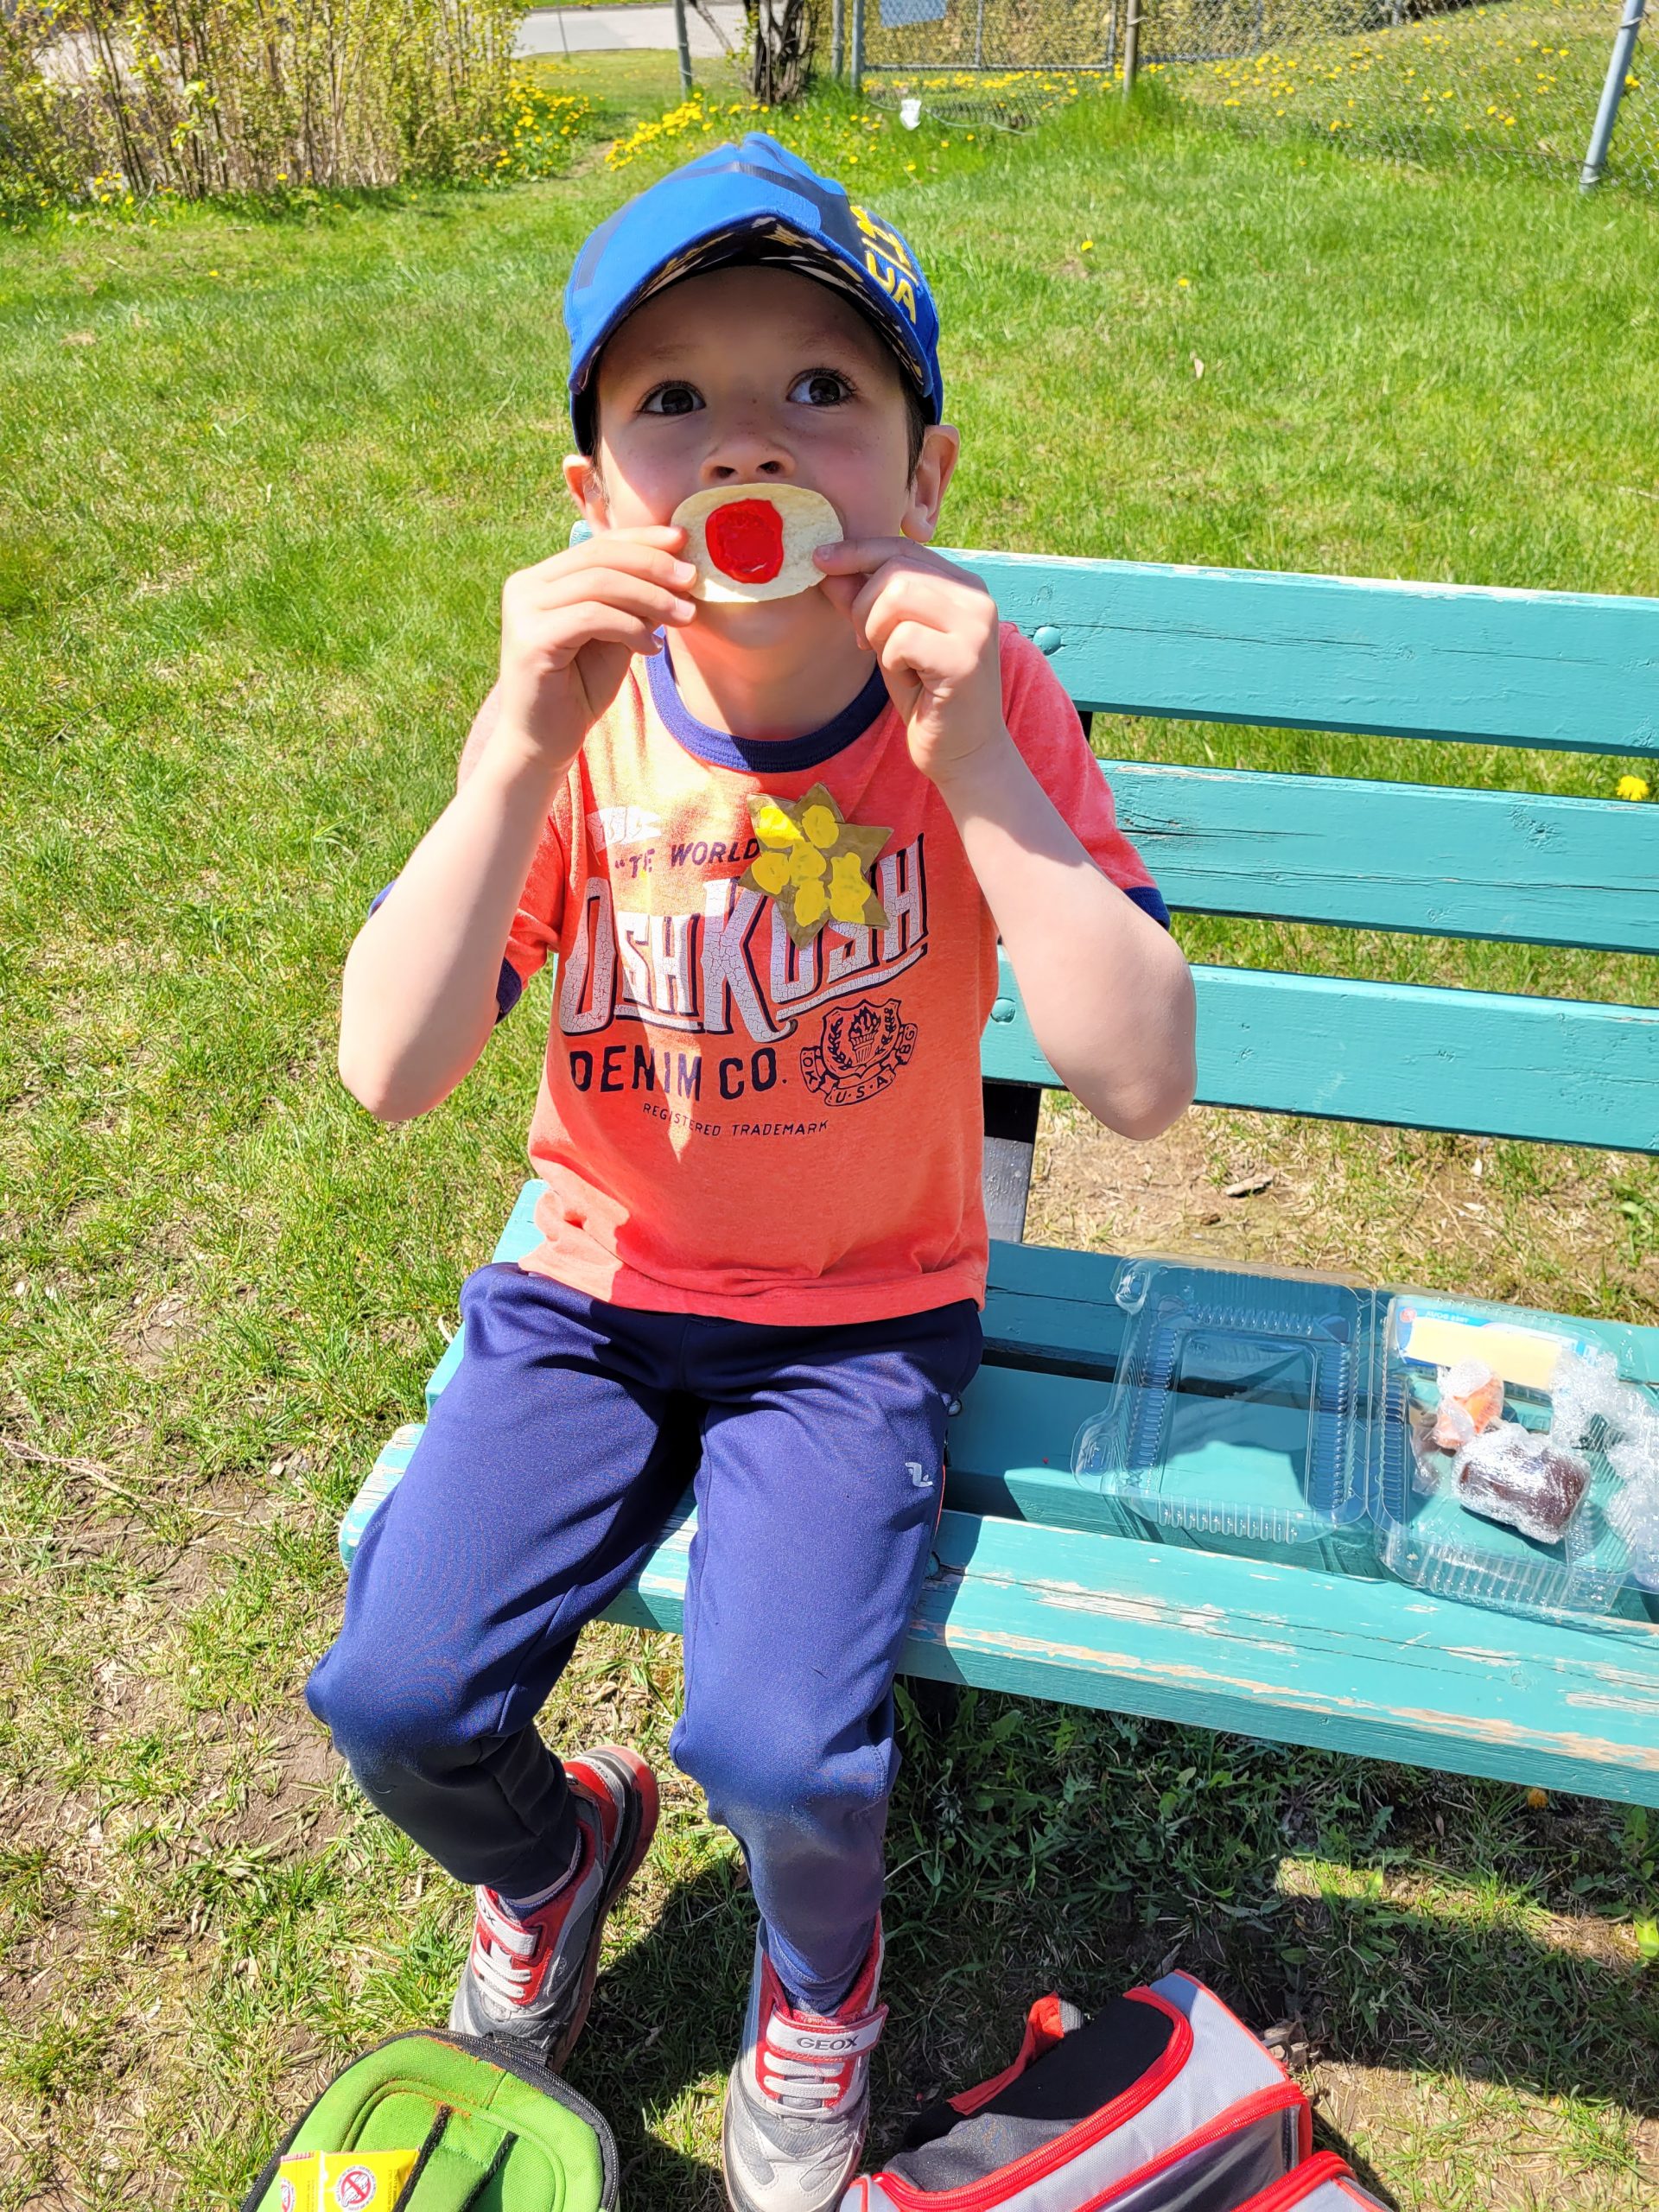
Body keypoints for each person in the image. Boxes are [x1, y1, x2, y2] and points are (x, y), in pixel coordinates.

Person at [307, 134, 1196, 2212]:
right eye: (673, 397)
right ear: (595, 494)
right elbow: (389, 1069)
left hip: (858, 1318)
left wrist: (982, 768)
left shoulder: (979, 700)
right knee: (395, 1690)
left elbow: (1141, 1076)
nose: (748, 444)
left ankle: (820, 1974)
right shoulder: (585, 720)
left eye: (820, 388)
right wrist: (509, 753)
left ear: (925, 472)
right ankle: (557, 1852)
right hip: (595, 1294)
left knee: (787, 1747)